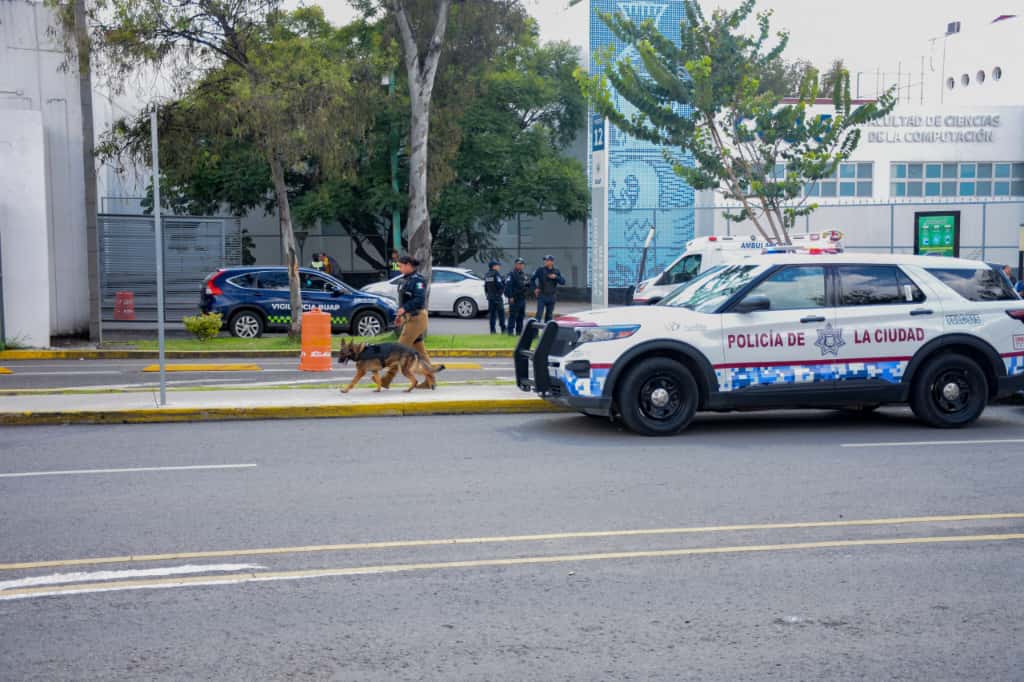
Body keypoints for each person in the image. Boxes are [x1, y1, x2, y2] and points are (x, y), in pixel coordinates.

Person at [381, 256, 432, 389]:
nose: (399, 268)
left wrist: (404, 309)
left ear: (409, 265)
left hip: (417, 318)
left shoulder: (418, 280)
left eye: (401, 266)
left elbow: (419, 300)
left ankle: (386, 379)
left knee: (398, 350)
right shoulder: (405, 279)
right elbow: (403, 300)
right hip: (410, 317)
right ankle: (430, 380)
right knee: (421, 353)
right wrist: (401, 314)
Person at [531, 254, 565, 322]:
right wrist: (535, 288)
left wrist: (556, 277)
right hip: (542, 296)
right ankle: (536, 328)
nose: (545, 262)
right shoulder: (540, 270)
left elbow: (563, 282)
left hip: (552, 296)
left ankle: (547, 328)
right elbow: (532, 280)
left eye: (547, 260)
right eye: (545, 260)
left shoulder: (556, 271)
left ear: (552, 262)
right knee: (539, 315)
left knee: (549, 316)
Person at [505, 257, 529, 336]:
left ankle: (519, 332)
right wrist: (510, 296)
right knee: (513, 316)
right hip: (514, 298)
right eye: (519, 264)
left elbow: (527, 284)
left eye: (522, 264)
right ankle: (510, 332)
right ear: (515, 265)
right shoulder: (511, 274)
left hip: (522, 298)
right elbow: (508, 286)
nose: (521, 266)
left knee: (521, 316)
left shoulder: (523, 274)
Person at [483, 259, 506, 334]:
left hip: (490, 298)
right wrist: (503, 284)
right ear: (494, 266)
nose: (499, 267)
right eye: (497, 265)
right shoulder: (496, 274)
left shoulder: (487, 274)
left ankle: (492, 330)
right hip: (497, 298)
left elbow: (485, 287)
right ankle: (503, 330)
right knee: (501, 314)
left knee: (492, 315)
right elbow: (500, 286)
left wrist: (488, 295)